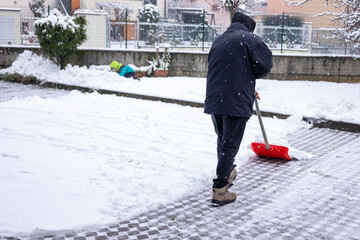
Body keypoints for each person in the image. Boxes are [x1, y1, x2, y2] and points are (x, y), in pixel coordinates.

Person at [204, 12, 273, 207]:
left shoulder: (219, 40)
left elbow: (227, 68)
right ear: (249, 27)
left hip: (216, 98)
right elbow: (264, 67)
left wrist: (246, 85)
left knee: (223, 140)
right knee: (230, 145)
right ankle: (220, 190)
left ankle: (228, 172)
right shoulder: (250, 39)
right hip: (235, 100)